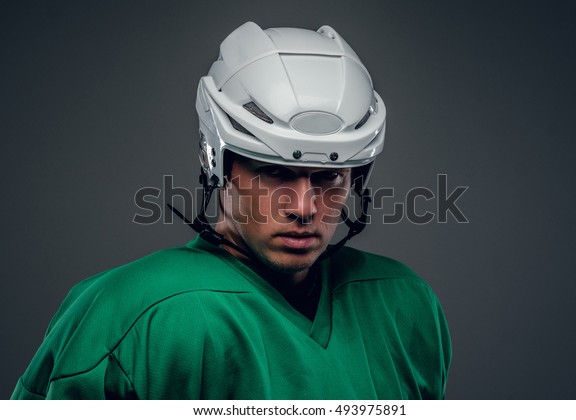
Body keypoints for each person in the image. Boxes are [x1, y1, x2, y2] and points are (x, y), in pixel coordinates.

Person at [11, 22, 451, 400]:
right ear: (217, 163)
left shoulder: (404, 306)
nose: (303, 207)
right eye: (274, 173)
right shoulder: (131, 317)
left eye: (329, 177)